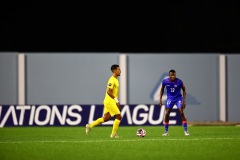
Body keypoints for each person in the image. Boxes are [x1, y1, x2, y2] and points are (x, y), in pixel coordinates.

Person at [85, 64, 122, 138]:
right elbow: (108, 91)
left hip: (109, 101)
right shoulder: (111, 80)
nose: (120, 71)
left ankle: (90, 125)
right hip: (110, 101)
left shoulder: (116, 80)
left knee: (106, 118)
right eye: (118, 69)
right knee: (119, 116)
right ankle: (113, 134)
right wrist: (116, 100)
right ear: (114, 70)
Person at [159, 69, 190, 136]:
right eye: (171, 75)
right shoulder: (165, 81)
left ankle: (186, 131)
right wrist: (160, 99)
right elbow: (162, 89)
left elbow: (184, 90)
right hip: (170, 99)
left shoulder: (179, 82)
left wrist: (184, 101)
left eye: (174, 75)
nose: (173, 76)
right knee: (167, 113)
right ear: (169, 75)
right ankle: (166, 132)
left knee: (181, 112)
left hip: (178, 98)